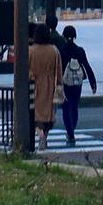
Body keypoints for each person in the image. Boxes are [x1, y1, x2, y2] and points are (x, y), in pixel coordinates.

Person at [58, 24, 97, 146]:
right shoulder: (80, 50)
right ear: (75, 36)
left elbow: (58, 68)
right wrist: (93, 82)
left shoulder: (61, 51)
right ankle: (72, 129)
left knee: (65, 107)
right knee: (74, 107)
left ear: (64, 36)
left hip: (65, 83)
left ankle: (70, 133)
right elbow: (87, 66)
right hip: (77, 83)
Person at [27, 23, 61, 152]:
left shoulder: (31, 50)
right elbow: (58, 69)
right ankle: (44, 137)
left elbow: (25, 69)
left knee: (35, 113)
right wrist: (59, 84)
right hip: (50, 84)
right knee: (48, 114)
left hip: (34, 84)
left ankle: (39, 134)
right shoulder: (54, 50)